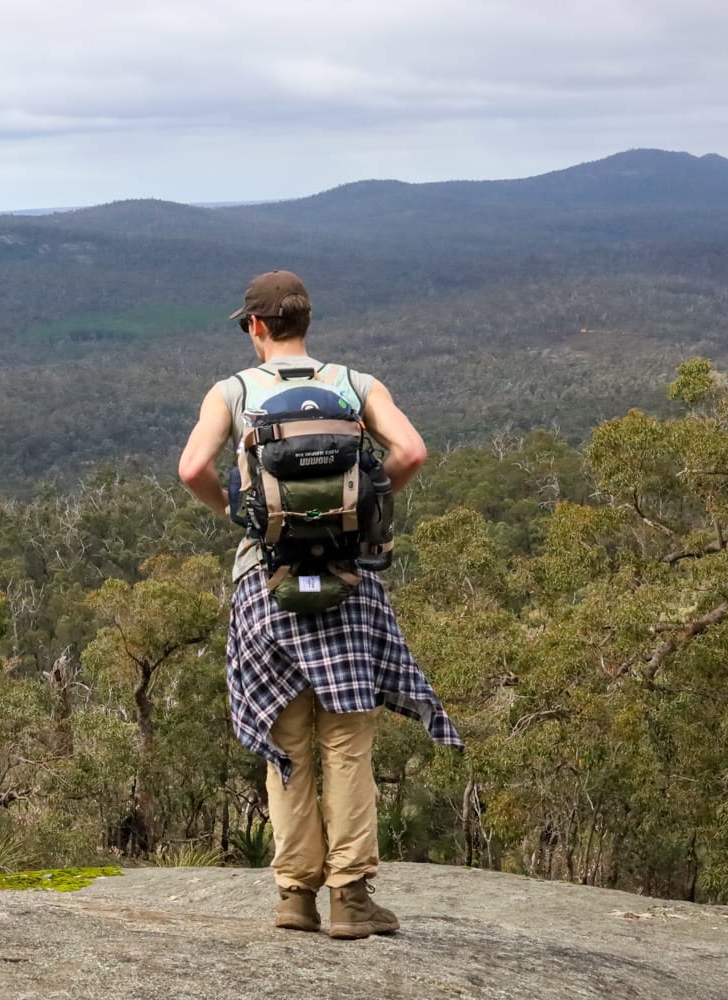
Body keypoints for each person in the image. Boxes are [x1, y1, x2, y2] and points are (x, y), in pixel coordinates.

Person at [178, 269, 462, 939]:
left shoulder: (233, 391)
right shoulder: (355, 385)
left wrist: (244, 515)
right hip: (348, 578)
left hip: (265, 580)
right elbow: (412, 451)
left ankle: (294, 896)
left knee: (286, 740)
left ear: (254, 327)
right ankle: (353, 899)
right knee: (347, 741)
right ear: (306, 321)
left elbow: (192, 469)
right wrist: (362, 500)